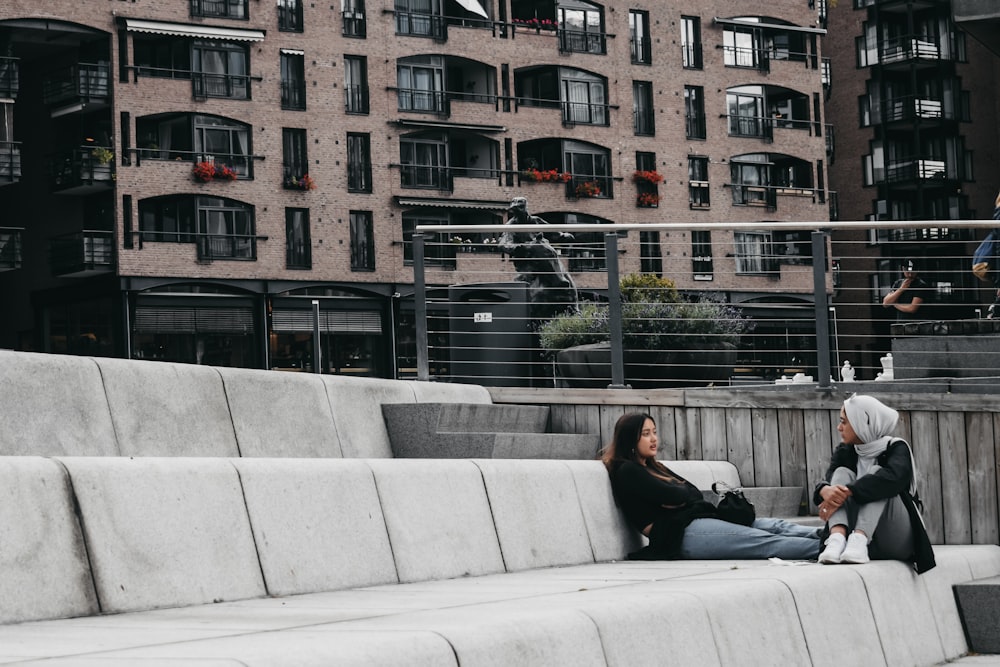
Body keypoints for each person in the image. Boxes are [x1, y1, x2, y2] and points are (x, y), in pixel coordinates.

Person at [603, 412, 821, 561]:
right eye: (645, 434)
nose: (654, 439)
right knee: (764, 542)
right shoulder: (627, 471)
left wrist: (680, 497)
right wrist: (680, 496)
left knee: (776, 526)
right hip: (679, 535)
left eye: (654, 432)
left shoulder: (655, 467)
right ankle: (828, 548)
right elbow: (676, 494)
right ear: (630, 439)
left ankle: (834, 536)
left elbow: (692, 493)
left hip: (693, 522)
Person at [814, 394, 935, 573]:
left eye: (844, 422)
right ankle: (836, 539)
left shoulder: (896, 448)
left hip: (896, 538)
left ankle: (860, 538)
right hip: (853, 545)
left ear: (863, 422)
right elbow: (832, 480)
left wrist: (849, 491)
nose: (839, 428)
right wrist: (824, 491)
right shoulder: (845, 451)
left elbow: (893, 479)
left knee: (878, 475)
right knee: (841, 473)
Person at [498, 196, 578, 319]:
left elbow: (552, 232)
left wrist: (563, 236)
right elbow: (504, 243)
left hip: (546, 256)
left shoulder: (535, 221)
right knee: (540, 248)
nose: (518, 212)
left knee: (547, 250)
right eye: (515, 209)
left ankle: (573, 307)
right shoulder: (511, 225)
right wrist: (521, 247)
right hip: (528, 260)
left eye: (520, 208)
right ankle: (558, 281)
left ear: (526, 208)